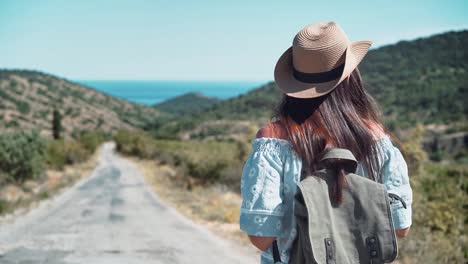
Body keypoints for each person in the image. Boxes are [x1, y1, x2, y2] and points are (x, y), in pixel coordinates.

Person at [239, 21, 412, 264]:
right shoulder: (376, 139)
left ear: (294, 82)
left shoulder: (273, 140)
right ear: (351, 75)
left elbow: (262, 237)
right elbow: (400, 227)